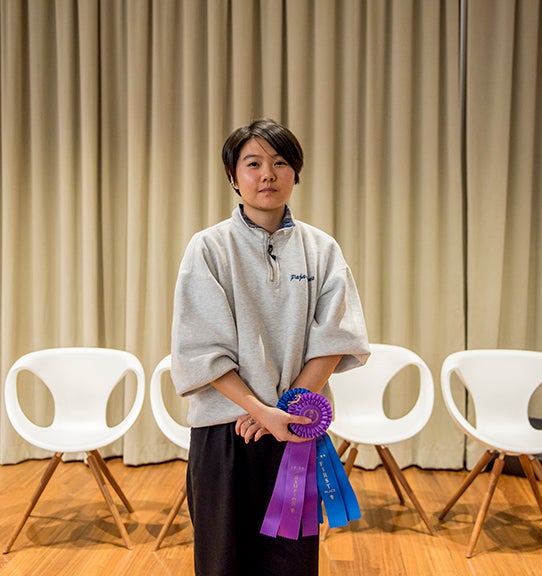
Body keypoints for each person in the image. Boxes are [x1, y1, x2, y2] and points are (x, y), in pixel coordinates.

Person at [171, 118, 370, 576]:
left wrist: (287, 409)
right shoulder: (208, 248)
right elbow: (201, 348)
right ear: (233, 176)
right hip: (226, 428)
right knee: (223, 559)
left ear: (295, 173)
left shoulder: (322, 249)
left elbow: (334, 337)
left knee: (290, 562)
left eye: (280, 163)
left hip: (297, 429)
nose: (267, 174)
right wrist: (260, 412)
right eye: (254, 163)